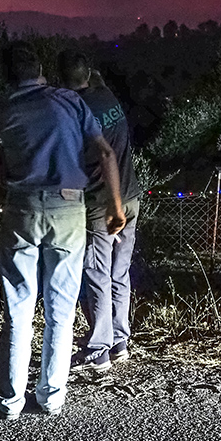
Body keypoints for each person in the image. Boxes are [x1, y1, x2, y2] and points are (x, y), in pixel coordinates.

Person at [0, 41, 126, 419]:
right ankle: (51, 396)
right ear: (41, 71)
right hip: (69, 208)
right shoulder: (70, 101)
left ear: (7, 75)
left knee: (18, 307)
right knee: (60, 309)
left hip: (22, 207)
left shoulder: (2, 106)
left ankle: (10, 400)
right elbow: (105, 152)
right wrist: (116, 205)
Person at [57, 52, 143, 372]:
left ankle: (98, 348)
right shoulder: (106, 96)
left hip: (102, 204)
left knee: (95, 274)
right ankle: (119, 339)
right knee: (119, 272)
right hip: (131, 196)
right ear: (90, 76)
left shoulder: (77, 110)